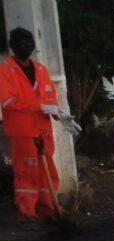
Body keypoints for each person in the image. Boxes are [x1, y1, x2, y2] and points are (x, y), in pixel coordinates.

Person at [0, 28, 62, 225]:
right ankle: (27, 211)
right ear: (12, 46)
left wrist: (54, 109)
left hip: (43, 129)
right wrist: (39, 105)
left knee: (47, 170)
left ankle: (49, 206)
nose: (24, 47)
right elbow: (8, 101)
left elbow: (50, 93)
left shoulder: (41, 70)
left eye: (28, 43)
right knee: (27, 171)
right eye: (20, 43)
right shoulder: (5, 72)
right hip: (22, 130)